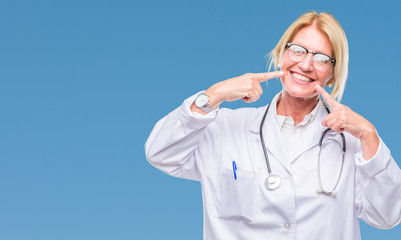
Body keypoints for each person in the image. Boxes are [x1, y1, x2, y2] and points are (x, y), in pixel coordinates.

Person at [145, 11, 401, 240]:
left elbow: (387, 216)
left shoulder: (353, 144)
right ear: (282, 54)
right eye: (298, 50)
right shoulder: (225, 127)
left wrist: (369, 135)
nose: (305, 64)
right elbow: (160, 152)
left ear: (332, 74)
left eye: (321, 58)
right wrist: (214, 94)